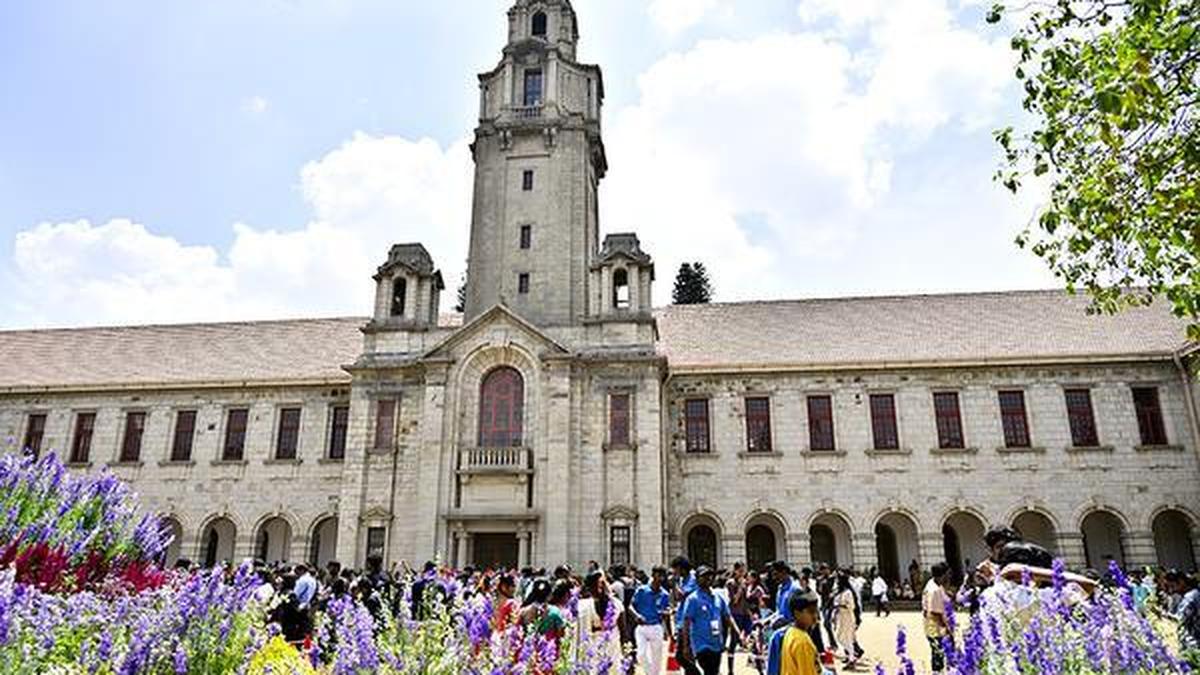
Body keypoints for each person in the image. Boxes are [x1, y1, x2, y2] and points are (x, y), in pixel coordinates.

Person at [680, 566, 742, 675]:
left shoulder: (718, 597)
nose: (707, 578)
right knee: (709, 670)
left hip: (717, 643)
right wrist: (686, 646)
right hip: (701, 644)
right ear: (697, 579)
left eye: (709, 576)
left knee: (714, 671)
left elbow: (728, 616)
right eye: (703, 576)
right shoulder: (692, 599)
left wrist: (738, 633)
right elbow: (686, 623)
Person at [767, 591, 822, 675]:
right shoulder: (803, 642)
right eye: (811, 612)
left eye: (816, 612)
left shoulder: (789, 632)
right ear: (797, 613)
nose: (815, 616)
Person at [631, 566, 672, 675]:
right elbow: (630, 606)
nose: (661, 578)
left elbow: (667, 614)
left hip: (656, 627)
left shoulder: (665, 594)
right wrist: (637, 616)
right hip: (641, 627)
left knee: (656, 658)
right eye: (659, 575)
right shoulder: (641, 590)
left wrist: (669, 633)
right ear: (653, 575)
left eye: (663, 576)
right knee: (641, 655)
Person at [671, 556, 701, 675]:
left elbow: (681, 595)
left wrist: (674, 583)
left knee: (683, 655)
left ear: (681, 568)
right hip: (682, 619)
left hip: (690, 621)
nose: (674, 572)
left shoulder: (693, 578)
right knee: (684, 655)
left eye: (676, 569)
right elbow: (676, 598)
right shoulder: (682, 580)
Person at [922, 563, 951, 675]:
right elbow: (935, 612)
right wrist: (947, 629)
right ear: (943, 575)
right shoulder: (934, 590)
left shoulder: (932, 583)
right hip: (936, 628)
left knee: (936, 653)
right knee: (938, 654)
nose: (949, 576)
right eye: (947, 574)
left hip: (930, 626)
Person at [832, 574, 858, 667]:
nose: (836, 583)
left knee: (846, 638)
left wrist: (841, 605)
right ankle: (851, 655)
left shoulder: (848, 592)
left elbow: (852, 606)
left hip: (847, 617)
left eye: (838, 581)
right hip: (840, 617)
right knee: (839, 637)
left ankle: (851, 657)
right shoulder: (839, 592)